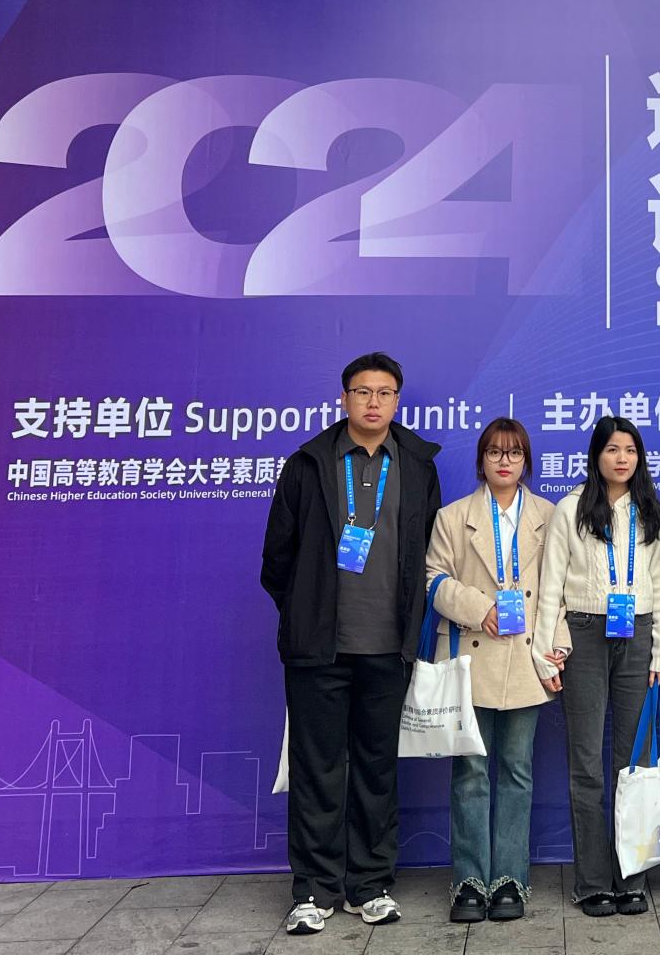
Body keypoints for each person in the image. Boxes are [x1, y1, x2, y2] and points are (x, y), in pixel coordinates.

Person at [261, 352, 443, 936]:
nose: (373, 402)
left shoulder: (417, 465)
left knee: (376, 769)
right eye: (362, 392)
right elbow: (277, 558)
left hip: (388, 647)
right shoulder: (309, 463)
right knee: (316, 770)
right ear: (343, 399)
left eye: (384, 393)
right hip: (320, 649)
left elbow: (428, 551)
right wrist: (306, 612)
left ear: (397, 401)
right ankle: (314, 890)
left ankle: (370, 885)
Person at [533, 416, 660, 917]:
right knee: (587, 763)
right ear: (596, 455)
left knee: (632, 764)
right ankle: (593, 881)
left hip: (638, 635)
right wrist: (545, 647)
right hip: (585, 635)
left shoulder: (649, 509)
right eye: (612, 449)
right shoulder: (571, 508)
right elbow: (550, 586)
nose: (622, 458)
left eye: (630, 450)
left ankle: (630, 876)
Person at [425, 417, 555, 923]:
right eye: (495, 452)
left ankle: (510, 879)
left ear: (526, 462)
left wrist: (558, 651)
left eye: (514, 453)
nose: (505, 461)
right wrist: (481, 609)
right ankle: (469, 881)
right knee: (471, 773)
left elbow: (560, 590)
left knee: (518, 771)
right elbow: (433, 580)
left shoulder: (548, 515)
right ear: (481, 460)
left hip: (527, 657)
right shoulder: (453, 516)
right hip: (471, 654)